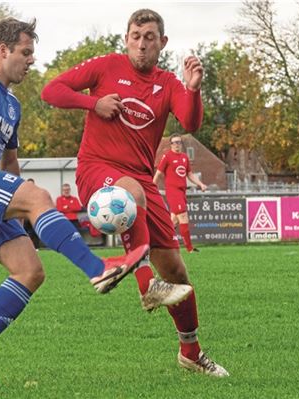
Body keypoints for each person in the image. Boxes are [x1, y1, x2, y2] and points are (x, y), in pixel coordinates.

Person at [0, 18, 150, 388]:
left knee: (30, 270)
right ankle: (98, 268)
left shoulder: (12, 106)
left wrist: (18, 192)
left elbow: (9, 164)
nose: (31, 61)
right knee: (39, 196)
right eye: (25, 52)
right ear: (3, 51)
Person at [41, 9, 228, 376]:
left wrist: (193, 88)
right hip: (97, 168)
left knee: (177, 272)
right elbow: (52, 90)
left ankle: (190, 352)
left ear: (163, 43)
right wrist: (93, 102)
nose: (142, 43)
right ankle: (146, 287)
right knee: (129, 194)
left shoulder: (169, 83)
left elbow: (190, 122)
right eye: (136, 35)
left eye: (150, 37)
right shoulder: (106, 67)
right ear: (126, 38)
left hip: (141, 179)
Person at [154, 133, 207, 253]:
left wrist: (200, 184)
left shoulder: (184, 157)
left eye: (179, 142)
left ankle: (160, 243)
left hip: (182, 192)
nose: (177, 144)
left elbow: (189, 174)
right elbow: (158, 173)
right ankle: (189, 248)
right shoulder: (167, 156)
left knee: (174, 221)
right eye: (175, 142)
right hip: (173, 192)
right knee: (183, 217)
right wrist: (151, 186)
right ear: (171, 144)